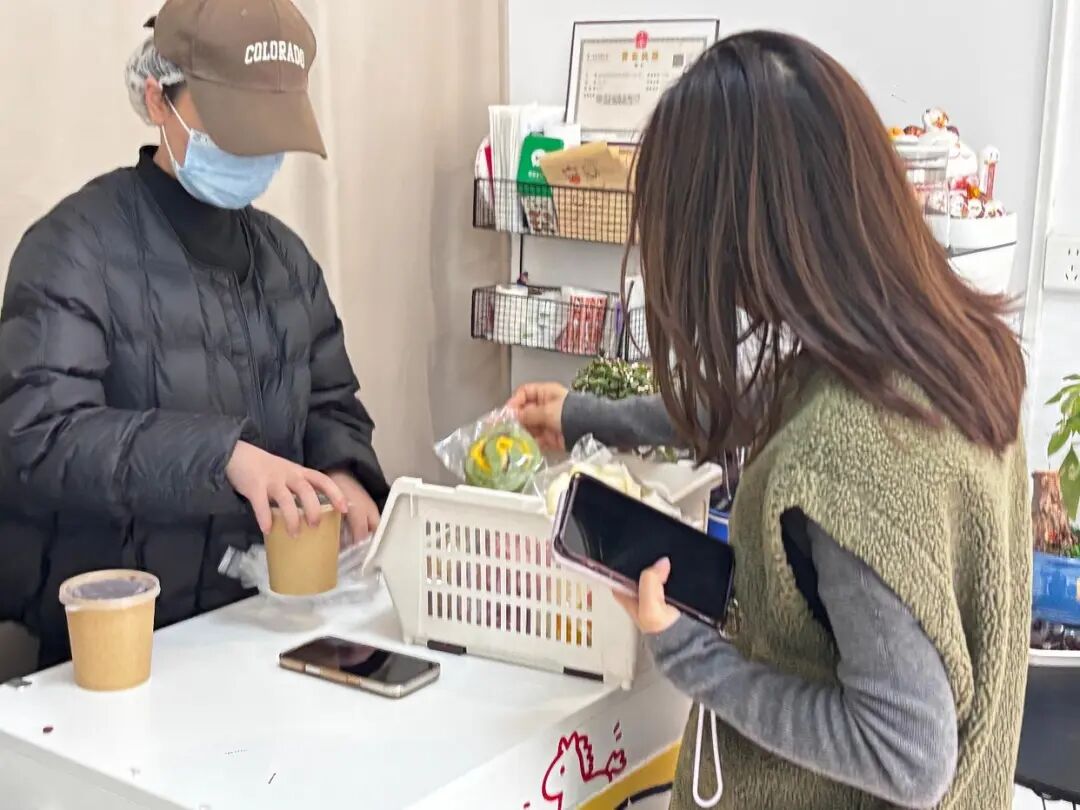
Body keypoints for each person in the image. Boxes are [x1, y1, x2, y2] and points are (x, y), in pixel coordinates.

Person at [512, 31, 1029, 810]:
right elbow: (768, 408)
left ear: (731, 238)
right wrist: (590, 417)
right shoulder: (943, 350)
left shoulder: (851, 454)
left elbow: (908, 755)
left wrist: (691, 655)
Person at [0, 0, 388, 669]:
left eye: (270, 131)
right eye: (236, 127)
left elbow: (329, 402)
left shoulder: (287, 260)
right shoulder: (74, 248)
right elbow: (40, 439)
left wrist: (343, 472)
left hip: (266, 628)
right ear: (159, 100)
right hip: (117, 652)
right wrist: (223, 456)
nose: (255, 151)